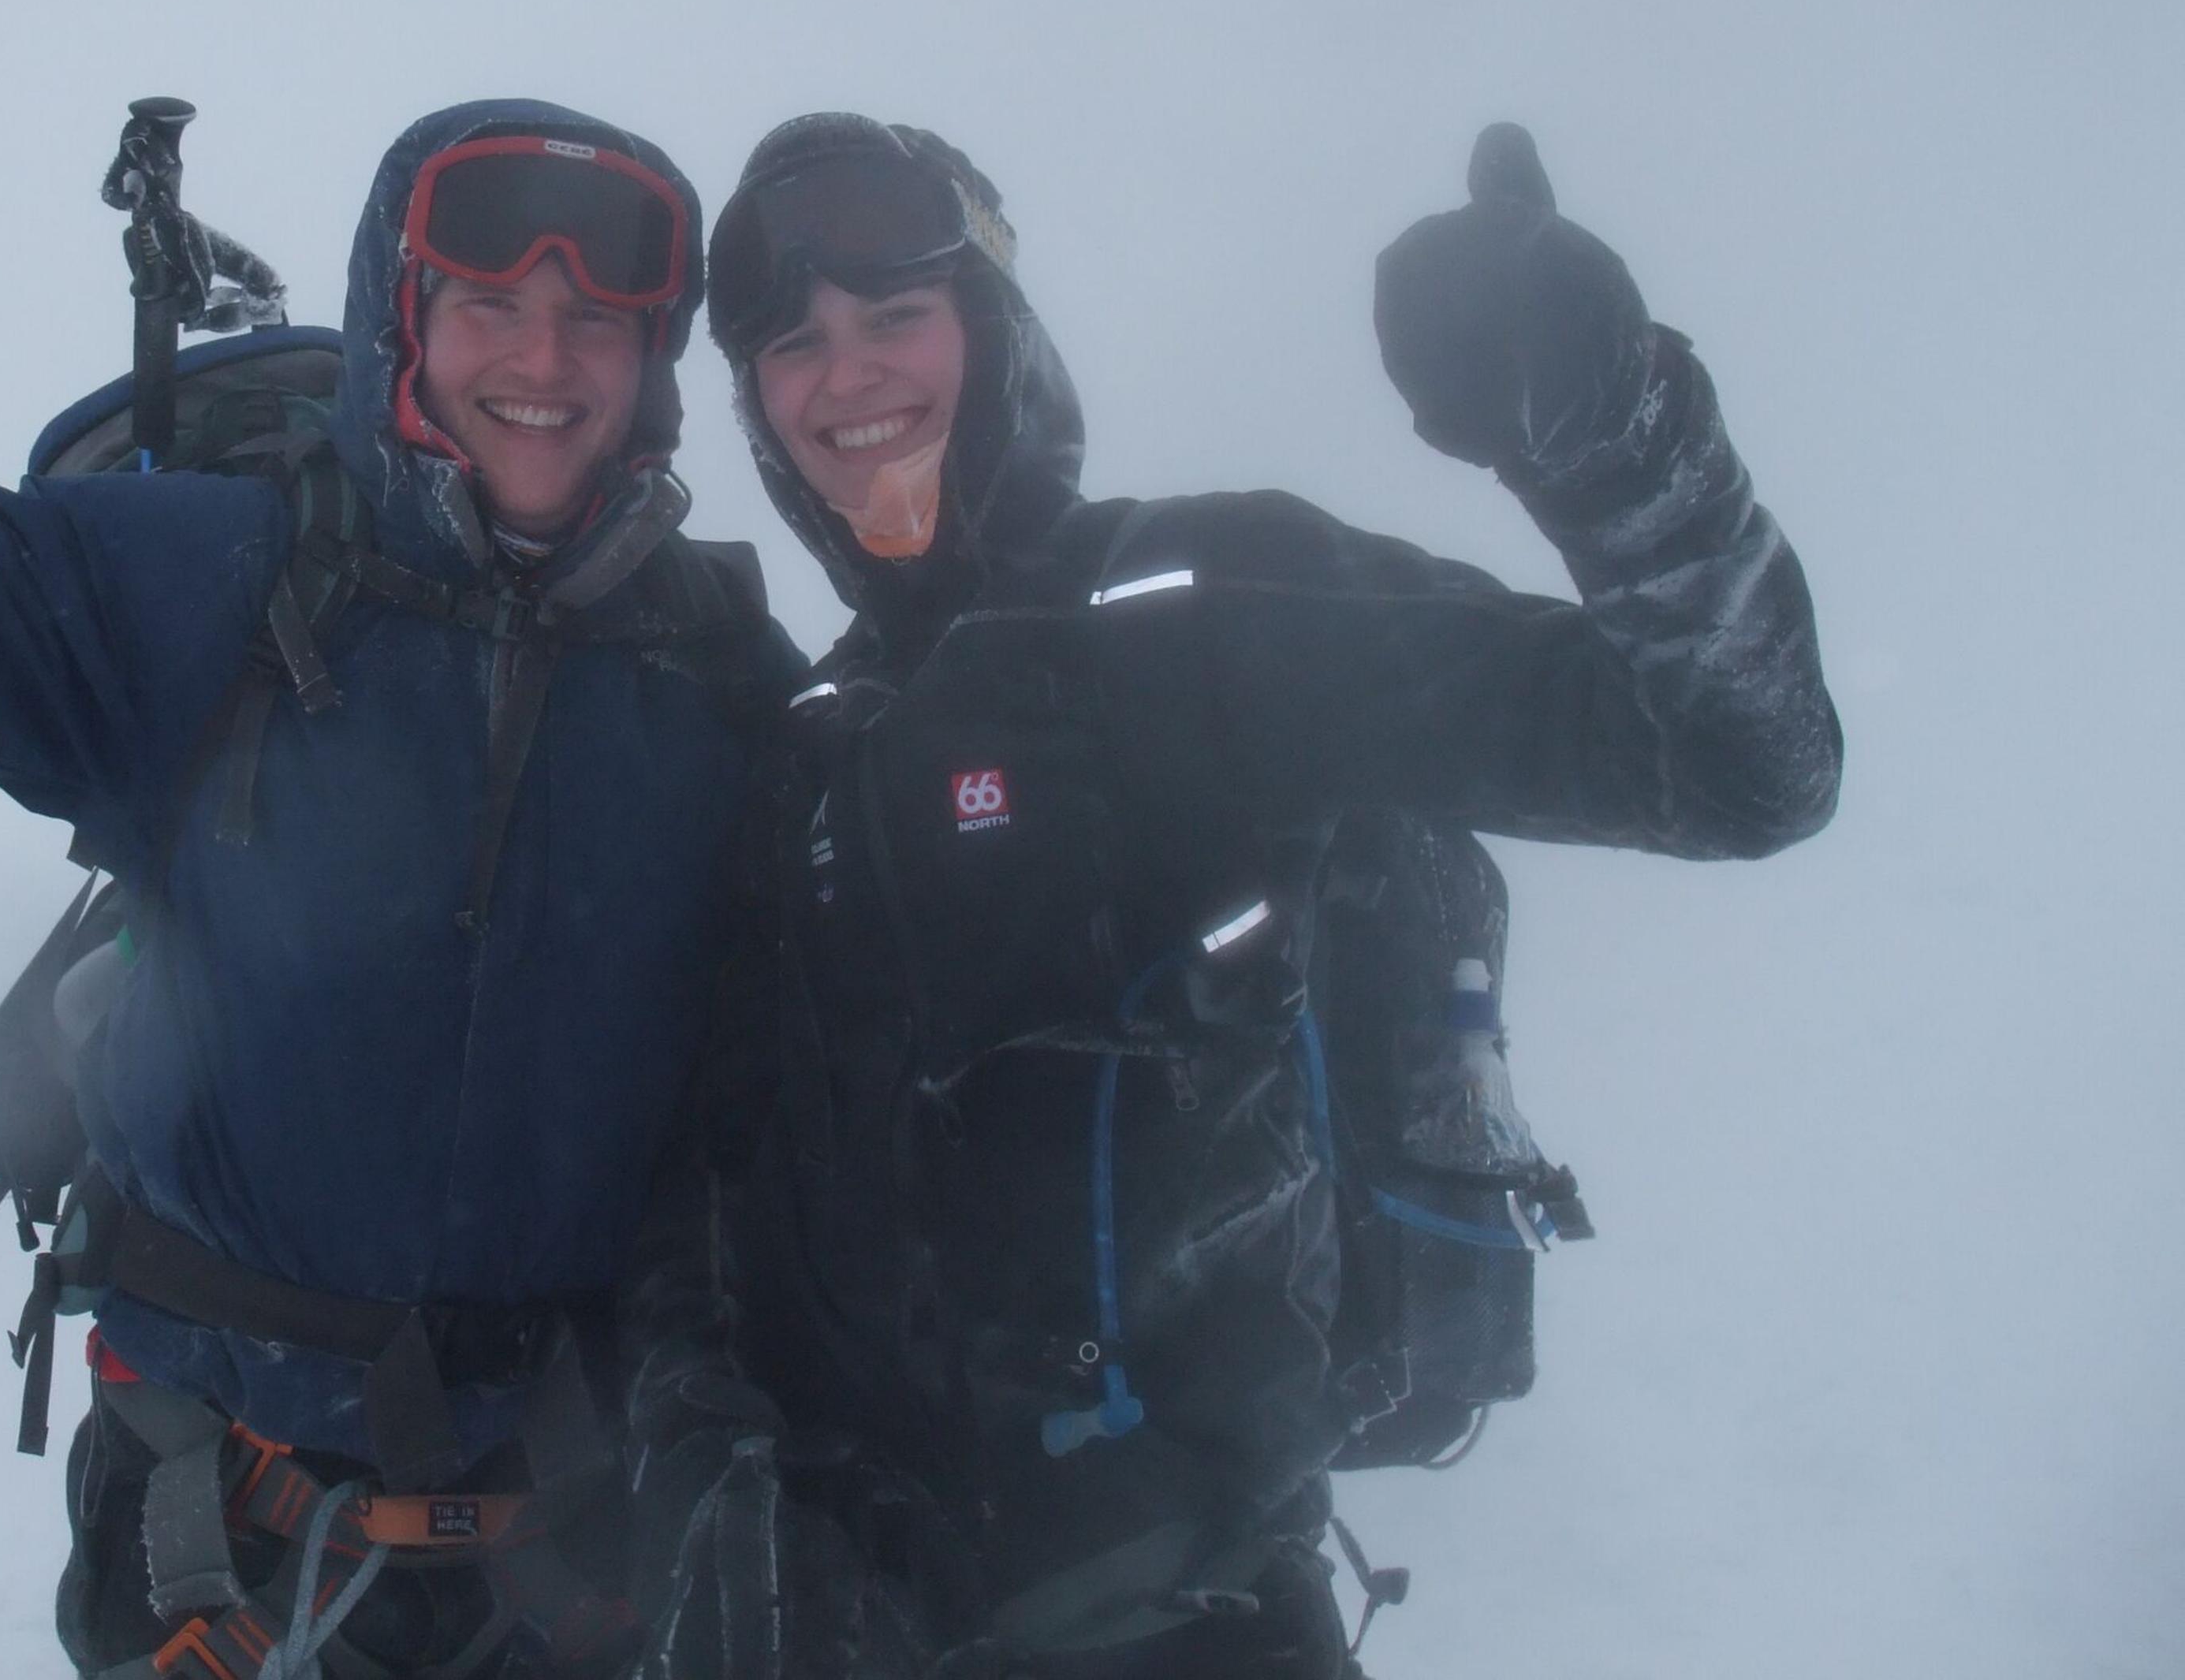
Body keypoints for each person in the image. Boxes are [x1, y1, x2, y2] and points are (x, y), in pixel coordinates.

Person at [0, 0, 798, 1678]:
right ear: (400, 321)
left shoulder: (718, 669)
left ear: (653, 362)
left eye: (597, 317)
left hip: (587, 1566)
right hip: (227, 1546)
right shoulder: (200, 590)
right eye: (488, 302)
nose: (545, 357)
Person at [623, 113, 1842, 1679]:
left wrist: (1609, 437)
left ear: (995, 331)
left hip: (1192, 1618)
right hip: (848, 1624)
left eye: (896, 316)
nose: (845, 377)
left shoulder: (1199, 609)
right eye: (792, 346)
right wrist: (703, 1469)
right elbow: (717, 1189)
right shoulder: (808, 747)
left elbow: (1742, 769)